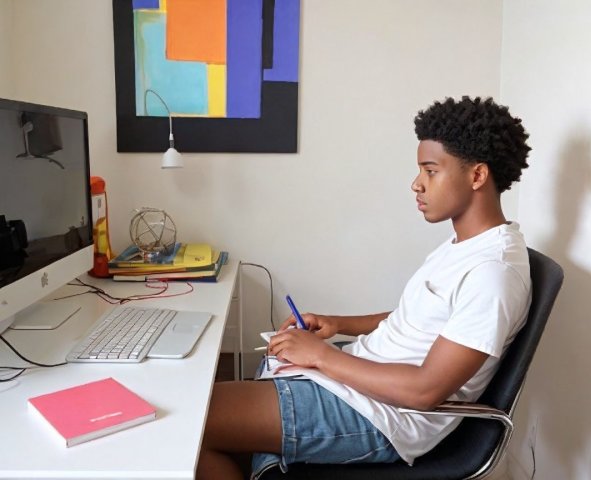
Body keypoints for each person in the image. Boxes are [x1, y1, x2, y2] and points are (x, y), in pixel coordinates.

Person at [197, 96, 533, 480]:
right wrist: (338, 324)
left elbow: (425, 392)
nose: (416, 184)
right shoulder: (467, 246)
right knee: (217, 411)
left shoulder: (493, 272)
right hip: (365, 383)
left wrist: (321, 357)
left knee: (196, 423)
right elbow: (420, 320)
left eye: (431, 171)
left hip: (384, 418)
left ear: (476, 176)